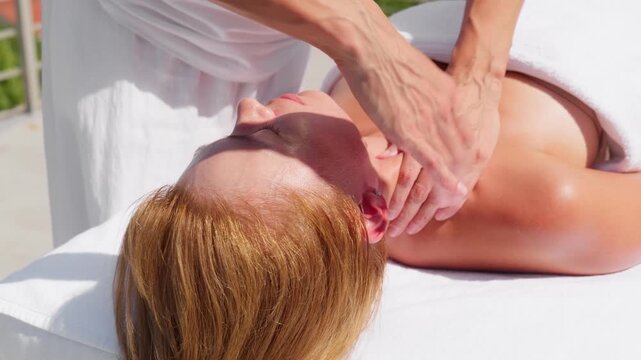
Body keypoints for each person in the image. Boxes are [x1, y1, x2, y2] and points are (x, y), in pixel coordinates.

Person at [114, 59, 641, 359]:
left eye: (229, 136)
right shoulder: (531, 208)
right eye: (268, 137)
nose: (247, 106)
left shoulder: (338, 155)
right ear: (369, 215)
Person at [42, 0, 522, 247]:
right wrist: (368, 43)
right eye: (266, 131)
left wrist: (482, 67)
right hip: (148, 40)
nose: (249, 110)